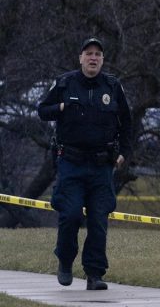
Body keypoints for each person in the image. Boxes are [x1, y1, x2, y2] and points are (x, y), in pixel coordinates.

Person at [37, 37, 132, 290]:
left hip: (102, 166)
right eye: (88, 53)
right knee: (70, 215)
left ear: (102, 60)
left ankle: (94, 274)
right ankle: (65, 261)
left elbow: (127, 123)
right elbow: (42, 110)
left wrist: (125, 152)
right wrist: (60, 106)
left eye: (97, 54)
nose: (93, 58)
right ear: (80, 58)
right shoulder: (65, 83)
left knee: (99, 221)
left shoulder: (112, 87)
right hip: (71, 163)